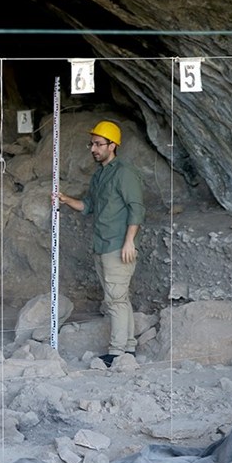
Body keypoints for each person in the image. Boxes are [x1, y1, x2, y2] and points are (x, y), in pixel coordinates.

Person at [59, 121, 145, 368]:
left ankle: (117, 353)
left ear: (113, 145)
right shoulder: (99, 175)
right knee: (119, 298)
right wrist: (66, 200)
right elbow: (89, 206)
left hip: (118, 246)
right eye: (92, 144)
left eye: (98, 144)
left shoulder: (124, 173)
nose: (93, 149)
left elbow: (136, 208)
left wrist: (129, 242)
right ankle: (128, 347)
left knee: (115, 301)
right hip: (102, 244)